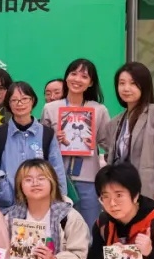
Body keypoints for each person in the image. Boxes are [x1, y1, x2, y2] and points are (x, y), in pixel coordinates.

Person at [41, 58, 111, 229]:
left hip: (88, 178)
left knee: (89, 228)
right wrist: (53, 140)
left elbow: (109, 144)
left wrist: (93, 142)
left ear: (90, 83)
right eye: (73, 74)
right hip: (57, 178)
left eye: (84, 76)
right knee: (57, 228)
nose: (77, 79)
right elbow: (40, 147)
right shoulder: (50, 108)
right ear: (66, 77)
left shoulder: (99, 110)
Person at [0, 81, 67, 211]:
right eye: (14, 100)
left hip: (40, 206)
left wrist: (60, 200)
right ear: (8, 104)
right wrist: (0, 180)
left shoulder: (47, 134)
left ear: (32, 100)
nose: (20, 103)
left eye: (24, 99)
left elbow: (57, 169)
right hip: (6, 205)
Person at [101, 62, 154, 206]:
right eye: (122, 83)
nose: (126, 88)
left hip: (148, 192)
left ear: (144, 85)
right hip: (119, 193)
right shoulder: (115, 122)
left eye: (133, 83)